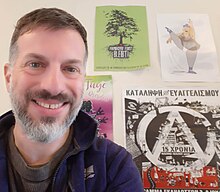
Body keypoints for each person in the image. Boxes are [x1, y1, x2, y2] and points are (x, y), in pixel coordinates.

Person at [0, 8, 143, 191]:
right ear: (9, 77)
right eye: (35, 64)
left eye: (70, 68)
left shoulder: (114, 167)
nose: (54, 86)